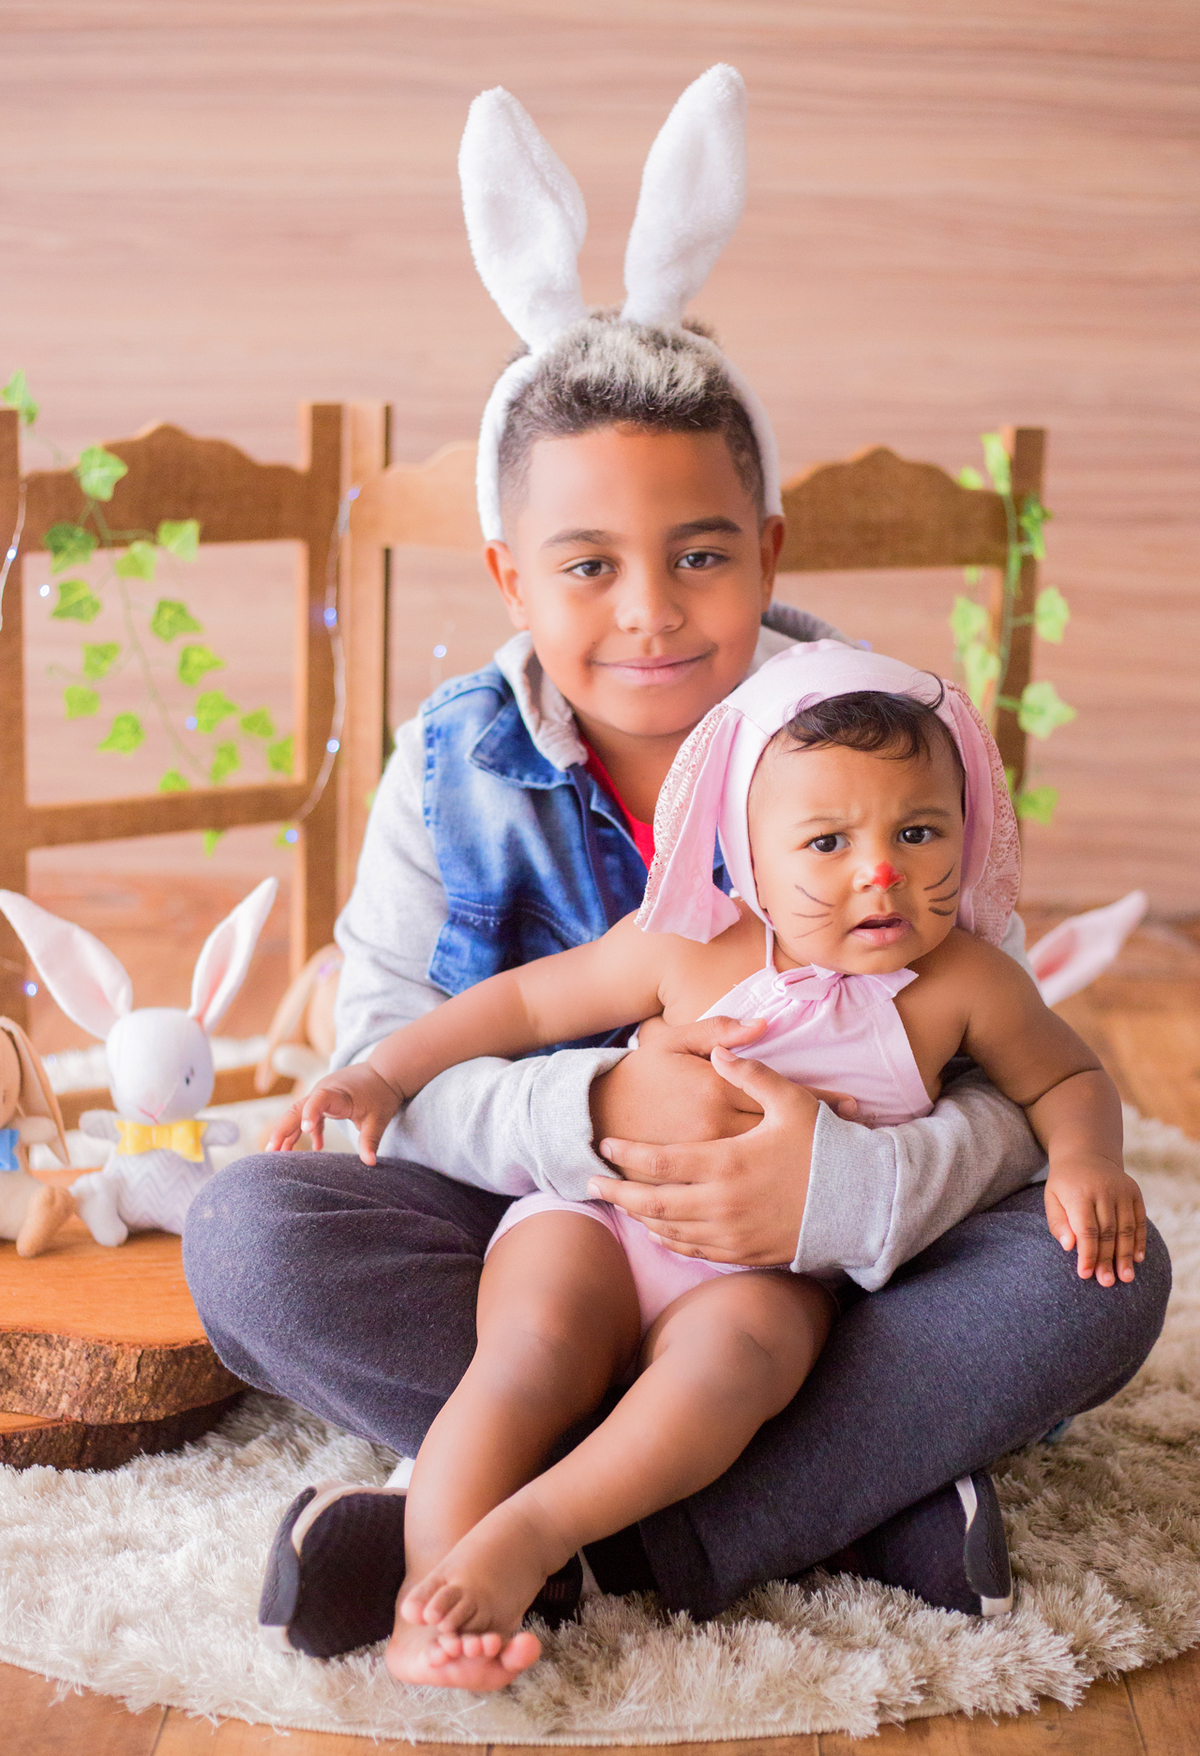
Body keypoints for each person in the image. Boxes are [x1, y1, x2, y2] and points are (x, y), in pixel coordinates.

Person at [183, 71, 1170, 1670]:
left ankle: (526, 1530)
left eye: (700, 553)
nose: (649, 611)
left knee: (1096, 1275)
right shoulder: (448, 769)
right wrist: (594, 1115)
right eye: (587, 565)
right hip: (554, 1225)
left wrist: (839, 1188)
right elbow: (391, 1055)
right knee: (250, 1239)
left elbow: (1006, 1085)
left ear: (769, 547)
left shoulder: (881, 742)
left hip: (816, 1280)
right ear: (511, 574)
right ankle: (824, 1510)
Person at [269, 643, 1147, 1688]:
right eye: (827, 843)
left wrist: (1089, 1160)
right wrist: (381, 1075)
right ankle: (434, 1589)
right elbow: (521, 1006)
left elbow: (1064, 1078)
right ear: (746, 847)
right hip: (602, 1223)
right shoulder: (690, 941)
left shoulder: (968, 980)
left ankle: (540, 1531)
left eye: (919, 833)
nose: (882, 873)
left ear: (971, 829)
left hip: (771, 1279)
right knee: (526, 1356)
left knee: (741, 1367)